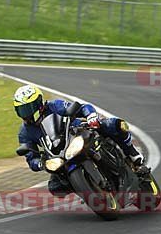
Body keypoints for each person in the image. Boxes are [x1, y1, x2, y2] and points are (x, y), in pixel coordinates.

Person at [13, 84, 145, 197]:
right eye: (21, 110)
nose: (26, 114)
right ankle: (86, 189)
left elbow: (82, 107)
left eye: (28, 109)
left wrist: (90, 116)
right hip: (59, 155)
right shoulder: (24, 132)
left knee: (114, 124)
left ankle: (132, 153)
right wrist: (41, 163)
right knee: (55, 187)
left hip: (78, 134)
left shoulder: (54, 106)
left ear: (39, 103)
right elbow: (31, 158)